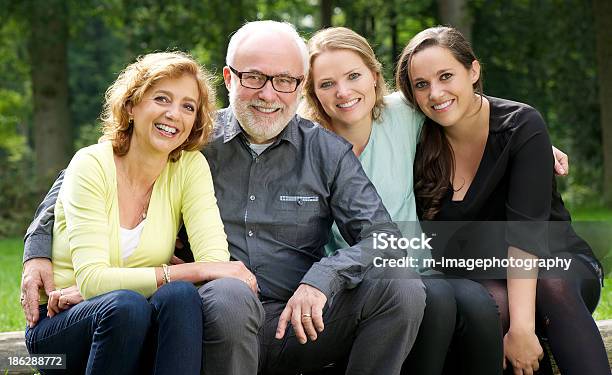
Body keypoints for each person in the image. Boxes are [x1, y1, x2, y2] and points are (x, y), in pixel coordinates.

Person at [22, 21, 426, 375]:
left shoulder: (325, 152)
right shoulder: (192, 136)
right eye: (254, 77)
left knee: (402, 286)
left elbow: (383, 238)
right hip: (215, 319)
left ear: (300, 86)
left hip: (301, 319)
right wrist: (38, 248)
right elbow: (103, 165)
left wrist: (321, 280)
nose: (269, 94)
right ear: (229, 78)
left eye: (285, 80)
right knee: (230, 293)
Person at [20, 51, 253, 374]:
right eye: (162, 98)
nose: (175, 114)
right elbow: (92, 280)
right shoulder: (91, 165)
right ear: (131, 105)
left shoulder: (189, 167)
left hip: (133, 316)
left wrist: (109, 286)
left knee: (180, 297)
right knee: (126, 305)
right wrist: (175, 272)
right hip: (62, 325)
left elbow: (213, 260)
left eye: (188, 106)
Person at [396, 26, 608, 375]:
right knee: (492, 304)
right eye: (421, 84)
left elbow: (526, 238)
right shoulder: (415, 137)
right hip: (481, 277)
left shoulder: (520, 125)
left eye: (446, 76)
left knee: (548, 282)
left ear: (473, 71)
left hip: (556, 264)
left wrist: (523, 330)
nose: (435, 93)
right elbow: (354, 105)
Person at [302, 26, 503, 375]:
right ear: (313, 92)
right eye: (327, 84)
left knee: (477, 304)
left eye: (353, 76)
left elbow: (472, 109)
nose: (344, 92)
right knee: (436, 301)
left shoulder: (401, 115)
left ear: (375, 76)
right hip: (354, 283)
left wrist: (529, 141)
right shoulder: (305, 143)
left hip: (420, 267)